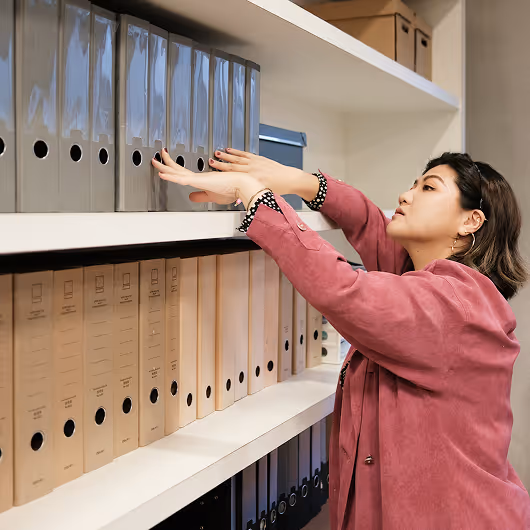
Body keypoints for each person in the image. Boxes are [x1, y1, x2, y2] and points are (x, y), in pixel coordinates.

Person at [152, 149, 530, 529]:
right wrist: (300, 183)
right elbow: (367, 220)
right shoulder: (430, 284)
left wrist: (255, 196)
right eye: (413, 184)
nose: (405, 195)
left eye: (428, 188)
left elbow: (343, 289)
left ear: (470, 220)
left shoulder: (454, 306)